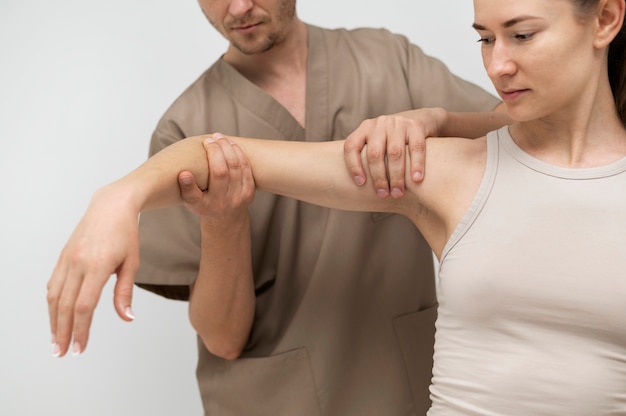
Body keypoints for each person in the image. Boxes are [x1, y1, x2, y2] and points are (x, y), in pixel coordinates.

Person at [47, 0, 626, 413]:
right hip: (272, 400)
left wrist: (434, 117)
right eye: (485, 38)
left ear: (605, 20)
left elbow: (524, 120)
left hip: (397, 385)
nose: (239, 6)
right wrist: (126, 198)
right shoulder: (187, 121)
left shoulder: (390, 63)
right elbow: (222, 338)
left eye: (520, 35)